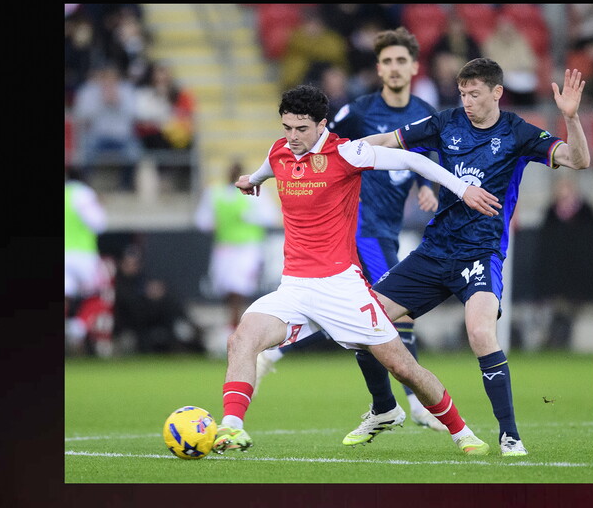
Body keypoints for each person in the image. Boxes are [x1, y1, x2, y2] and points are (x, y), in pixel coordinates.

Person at [213, 84, 503, 456]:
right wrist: (251, 181)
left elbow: (414, 160)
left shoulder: (348, 152)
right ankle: (231, 428)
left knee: (404, 368)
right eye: (287, 127)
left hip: (341, 287)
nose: (293, 137)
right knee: (242, 340)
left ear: (322, 125)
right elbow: (270, 166)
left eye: (301, 129)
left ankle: (462, 432)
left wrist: (461, 189)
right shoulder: (280, 151)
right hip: (294, 289)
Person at [358, 58, 592, 456]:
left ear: (497, 92)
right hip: (434, 252)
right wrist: (340, 150)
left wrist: (570, 118)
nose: (466, 101)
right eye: (462, 92)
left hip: (481, 254)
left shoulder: (517, 131)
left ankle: (510, 435)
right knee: (360, 321)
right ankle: (384, 408)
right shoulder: (446, 122)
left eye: (474, 93)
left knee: (481, 334)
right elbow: (389, 141)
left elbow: (578, 160)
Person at [254, 27, 448, 435]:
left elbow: (423, 157)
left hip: (389, 225)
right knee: (392, 306)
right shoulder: (359, 110)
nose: (394, 69)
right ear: (378, 69)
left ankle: (279, 351)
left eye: (401, 61)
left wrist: (426, 187)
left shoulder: (426, 112)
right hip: (360, 225)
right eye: (387, 61)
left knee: (365, 310)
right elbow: (319, 146)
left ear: (414, 67)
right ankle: (415, 404)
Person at [194, 160, 280, 332]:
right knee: (225, 287)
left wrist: (251, 216)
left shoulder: (256, 193)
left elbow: (271, 216)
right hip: (224, 248)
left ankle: (235, 326)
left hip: (248, 248)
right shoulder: (215, 193)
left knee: (239, 287)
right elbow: (202, 220)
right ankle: (232, 325)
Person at [534, 175, 593, 348]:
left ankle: (564, 333)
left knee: (574, 300)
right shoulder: (551, 212)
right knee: (558, 304)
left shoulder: (585, 211)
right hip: (557, 271)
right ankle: (557, 336)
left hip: (579, 270)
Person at [73, 64, 141, 191]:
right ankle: (85, 186)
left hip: (122, 136)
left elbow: (134, 114)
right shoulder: (89, 91)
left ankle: (125, 186)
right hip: (97, 135)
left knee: (134, 152)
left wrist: (118, 102)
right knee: (84, 150)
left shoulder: (127, 90)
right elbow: (81, 114)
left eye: (113, 77)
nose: (109, 81)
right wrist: (101, 102)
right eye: (106, 77)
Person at [64, 166, 110, 354]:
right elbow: (99, 223)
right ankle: (77, 328)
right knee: (100, 294)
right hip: (82, 255)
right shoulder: (83, 194)